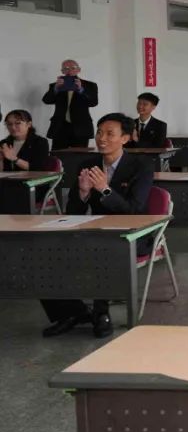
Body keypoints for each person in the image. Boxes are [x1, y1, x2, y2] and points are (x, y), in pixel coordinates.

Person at [41, 113, 152, 339]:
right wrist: (83, 193)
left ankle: (100, 313)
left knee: (102, 250)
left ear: (125, 138)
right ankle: (70, 313)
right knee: (45, 250)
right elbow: (73, 212)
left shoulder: (141, 166)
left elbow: (133, 211)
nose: (102, 138)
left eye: (110, 134)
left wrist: (105, 190)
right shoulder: (88, 164)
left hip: (132, 234)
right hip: (95, 229)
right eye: (99, 132)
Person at [1, 109, 51, 214]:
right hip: (8, 183)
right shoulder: (4, 143)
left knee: (9, 193)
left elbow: (37, 169)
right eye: (9, 124)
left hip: (33, 184)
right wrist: (1, 159)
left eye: (17, 123)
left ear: (29, 124)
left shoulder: (40, 142)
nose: (13, 127)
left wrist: (15, 159)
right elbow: (2, 171)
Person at [41, 58, 98, 149]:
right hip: (60, 128)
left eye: (73, 68)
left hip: (81, 128)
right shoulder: (55, 85)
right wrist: (56, 89)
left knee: (79, 156)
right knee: (58, 154)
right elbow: (46, 100)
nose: (69, 71)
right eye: (66, 68)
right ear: (62, 71)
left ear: (78, 70)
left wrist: (81, 90)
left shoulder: (90, 85)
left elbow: (93, 102)